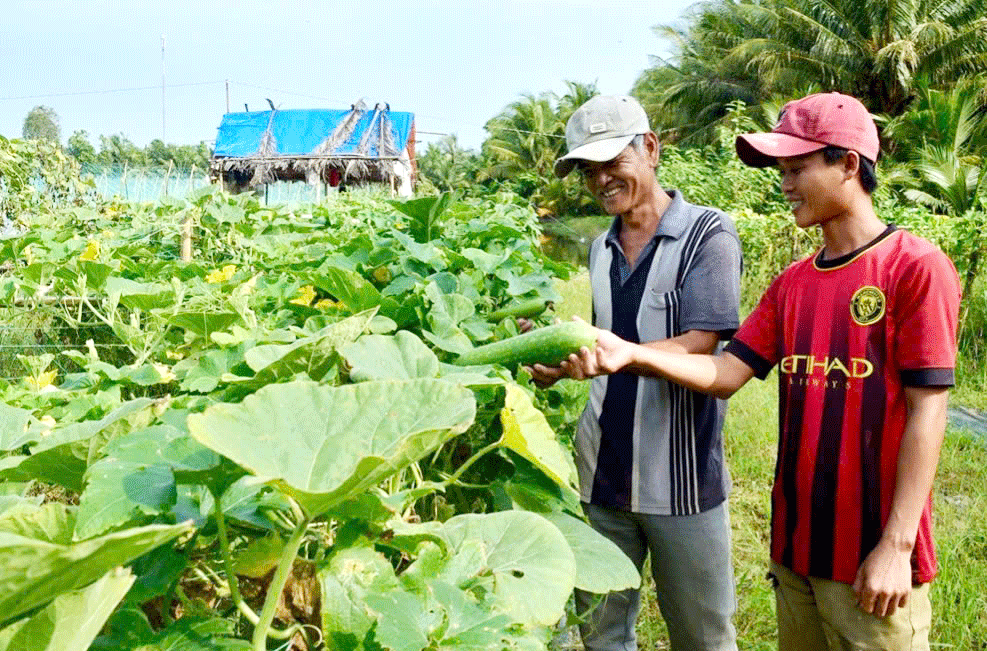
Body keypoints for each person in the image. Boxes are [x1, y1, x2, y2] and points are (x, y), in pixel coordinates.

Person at [569, 92, 961, 650]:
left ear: (849, 163)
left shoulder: (915, 268)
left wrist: (897, 547)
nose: (784, 184)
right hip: (797, 552)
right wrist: (630, 354)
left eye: (797, 168)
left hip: (872, 556)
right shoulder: (793, 284)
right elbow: (726, 372)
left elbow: (929, 410)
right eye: (782, 170)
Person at [525, 95, 742, 651]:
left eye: (612, 162)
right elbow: (605, 345)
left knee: (703, 637)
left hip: (681, 479)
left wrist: (626, 353)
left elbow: (703, 345)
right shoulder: (600, 247)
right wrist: (564, 365)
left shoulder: (708, 235)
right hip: (600, 472)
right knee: (602, 633)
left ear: (650, 149)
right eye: (587, 169)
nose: (600, 179)